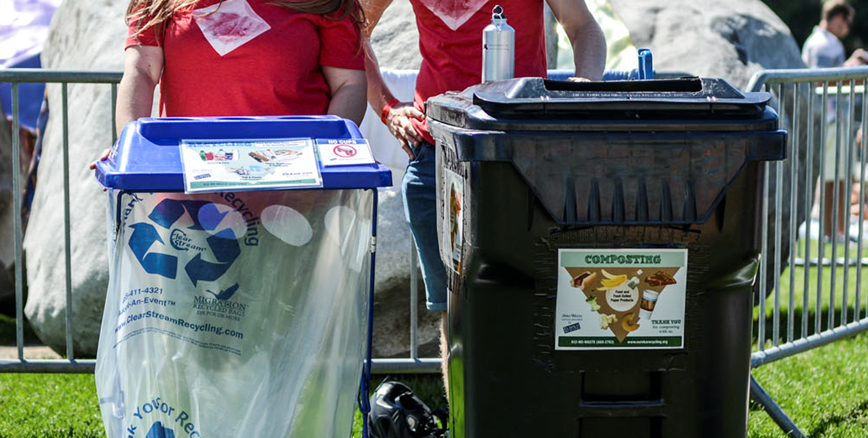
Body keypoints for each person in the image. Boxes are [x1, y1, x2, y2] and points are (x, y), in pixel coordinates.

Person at [362, 0, 605, 394]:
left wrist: (585, 87)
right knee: (455, 312)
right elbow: (354, 31)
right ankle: (466, 435)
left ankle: (540, 423)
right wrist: (388, 108)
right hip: (435, 153)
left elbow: (584, 28)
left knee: (538, 299)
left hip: (524, 149)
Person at [92, 0, 367, 169]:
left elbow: (348, 84)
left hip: (296, 176)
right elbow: (141, 71)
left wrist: (326, 154)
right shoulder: (158, 2)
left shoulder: (327, 2)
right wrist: (129, 145)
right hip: (187, 175)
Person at [801, 0, 868, 240]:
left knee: (840, 177)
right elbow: (820, 81)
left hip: (833, 119)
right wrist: (850, 67)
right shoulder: (823, 44)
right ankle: (833, 232)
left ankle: (837, 230)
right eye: (846, 23)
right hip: (830, 119)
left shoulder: (823, 43)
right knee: (832, 178)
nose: (847, 29)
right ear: (838, 19)